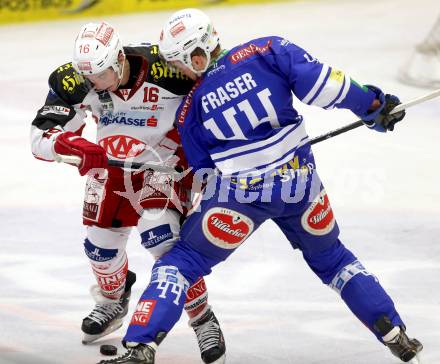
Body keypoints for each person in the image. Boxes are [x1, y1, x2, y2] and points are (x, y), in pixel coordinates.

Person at [98, 8, 424, 364]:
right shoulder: (268, 50)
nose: (180, 72)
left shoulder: (190, 108)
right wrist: (374, 106)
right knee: (333, 259)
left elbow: (205, 174)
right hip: (301, 186)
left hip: (239, 199)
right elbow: (331, 87)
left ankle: (140, 346)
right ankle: (394, 332)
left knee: (179, 264)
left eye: (180, 64)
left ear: (197, 55)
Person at [30, 21, 226, 364]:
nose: (94, 84)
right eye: (88, 77)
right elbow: (40, 136)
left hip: (164, 164)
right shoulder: (76, 79)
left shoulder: (167, 67)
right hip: (111, 166)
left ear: (120, 58)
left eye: (102, 75)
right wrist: (71, 143)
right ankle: (113, 300)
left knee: (162, 239)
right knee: (99, 248)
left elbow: (218, 94)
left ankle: (203, 317)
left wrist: (216, 154)